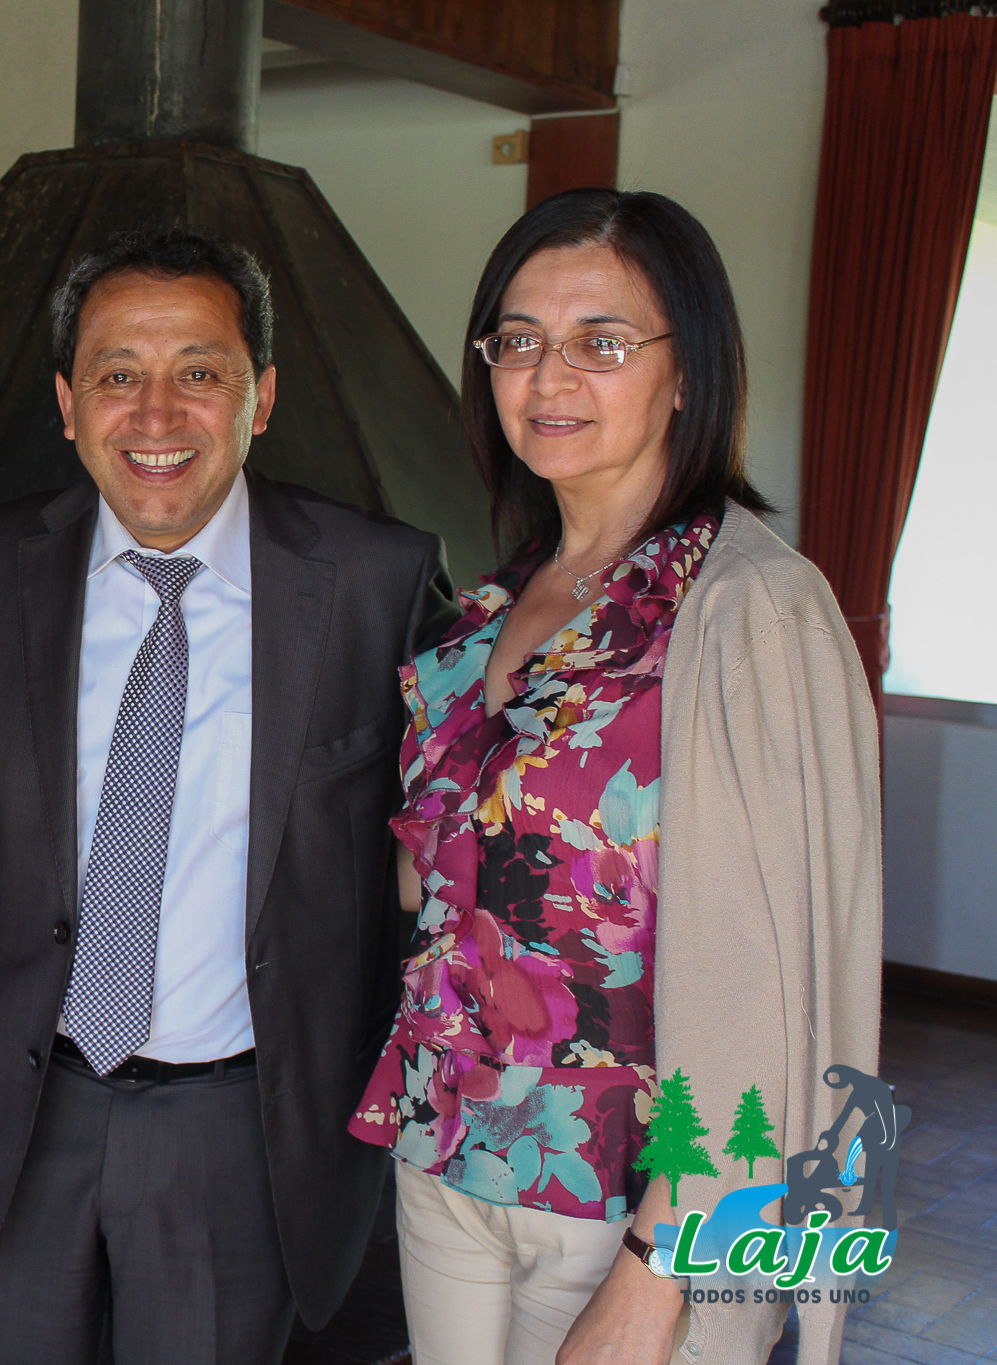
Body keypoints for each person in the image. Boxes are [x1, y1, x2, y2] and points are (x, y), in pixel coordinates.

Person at [0, 225, 458, 1365]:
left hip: (239, 1131)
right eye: (116, 376)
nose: (154, 414)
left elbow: (449, 839)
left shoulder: (372, 583)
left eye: (198, 372)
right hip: (18, 1110)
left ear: (261, 396)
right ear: (66, 404)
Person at [347, 189, 881, 1365]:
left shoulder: (746, 610)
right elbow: (438, 886)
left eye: (600, 342)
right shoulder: (491, 603)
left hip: (626, 1199)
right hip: (448, 1153)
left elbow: (767, 983)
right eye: (517, 340)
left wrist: (661, 1269)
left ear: (687, 373)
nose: (547, 377)